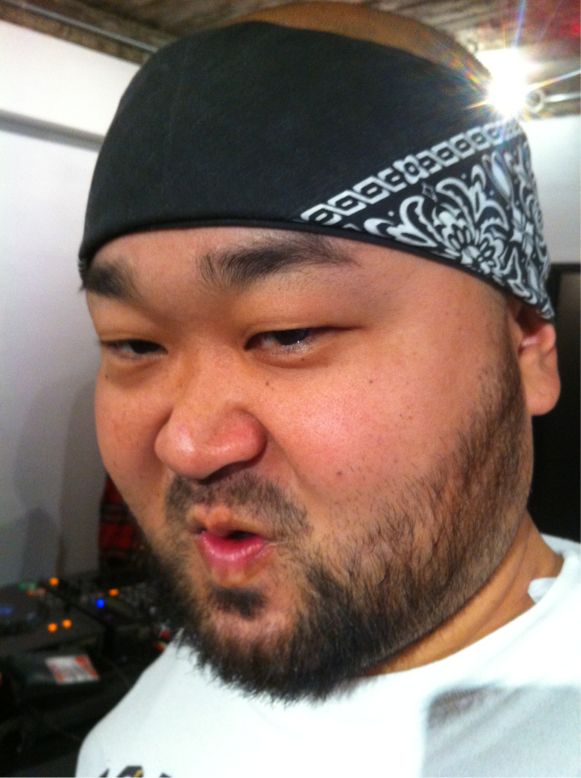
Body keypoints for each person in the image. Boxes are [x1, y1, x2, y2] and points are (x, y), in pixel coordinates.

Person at [75, 3, 580, 776]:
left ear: (525, 352)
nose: (188, 445)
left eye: (289, 332)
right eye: (134, 344)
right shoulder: (135, 724)